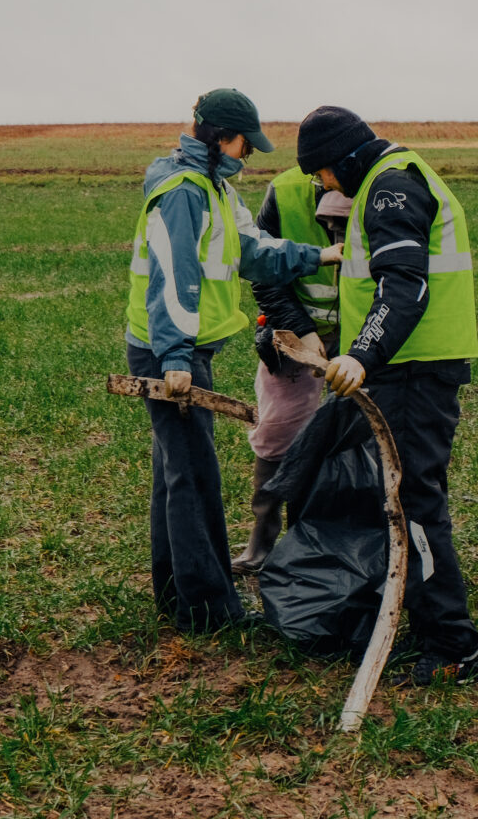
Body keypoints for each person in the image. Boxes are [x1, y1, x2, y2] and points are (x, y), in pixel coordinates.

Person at [125, 88, 343, 633]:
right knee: (195, 477)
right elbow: (172, 279)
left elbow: (253, 251)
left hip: (185, 348)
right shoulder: (183, 191)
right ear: (222, 136)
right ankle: (209, 612)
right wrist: (174, 355)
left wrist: (319, 254)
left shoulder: (215, 190)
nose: (248, 156)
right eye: (247, 145)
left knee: (176, 474)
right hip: (169, 351)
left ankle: (178, 596)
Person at [295, 105, 478, 686]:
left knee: (415, 505)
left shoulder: (389, 190)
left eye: (322, 173)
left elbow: (404, 286)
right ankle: (412, 622)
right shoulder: (391, 179)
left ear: (344, 160)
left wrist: (362, 354)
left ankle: (454, 648)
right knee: (403, 501)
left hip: (412, 372)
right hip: (406, 369)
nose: (323, 186)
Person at [231, 170, 352, 574]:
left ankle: (310, 542)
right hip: (293, 335)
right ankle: (261, 542)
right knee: (278, 432)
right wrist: (302, 331)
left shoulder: (380, 190)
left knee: (344, 439)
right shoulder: (284, 193)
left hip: (360, 341)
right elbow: (264, 272)